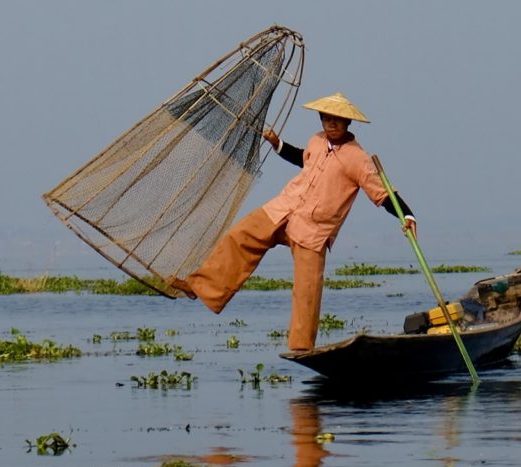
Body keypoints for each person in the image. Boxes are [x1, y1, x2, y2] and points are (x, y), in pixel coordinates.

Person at [168, 92, 416, 351]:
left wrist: (407, 215)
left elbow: (383, 194)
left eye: (337, 120)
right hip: (284, 208)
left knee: (307, 289)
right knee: (240, 235)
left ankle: (301, 347)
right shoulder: (317, 141)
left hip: (314, 229)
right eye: (327, 119)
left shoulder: (359, 159)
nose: (331, 124)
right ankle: (201, 287)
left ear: (347, 123)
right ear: (321, 119)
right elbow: (303, 158)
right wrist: (278, 144)